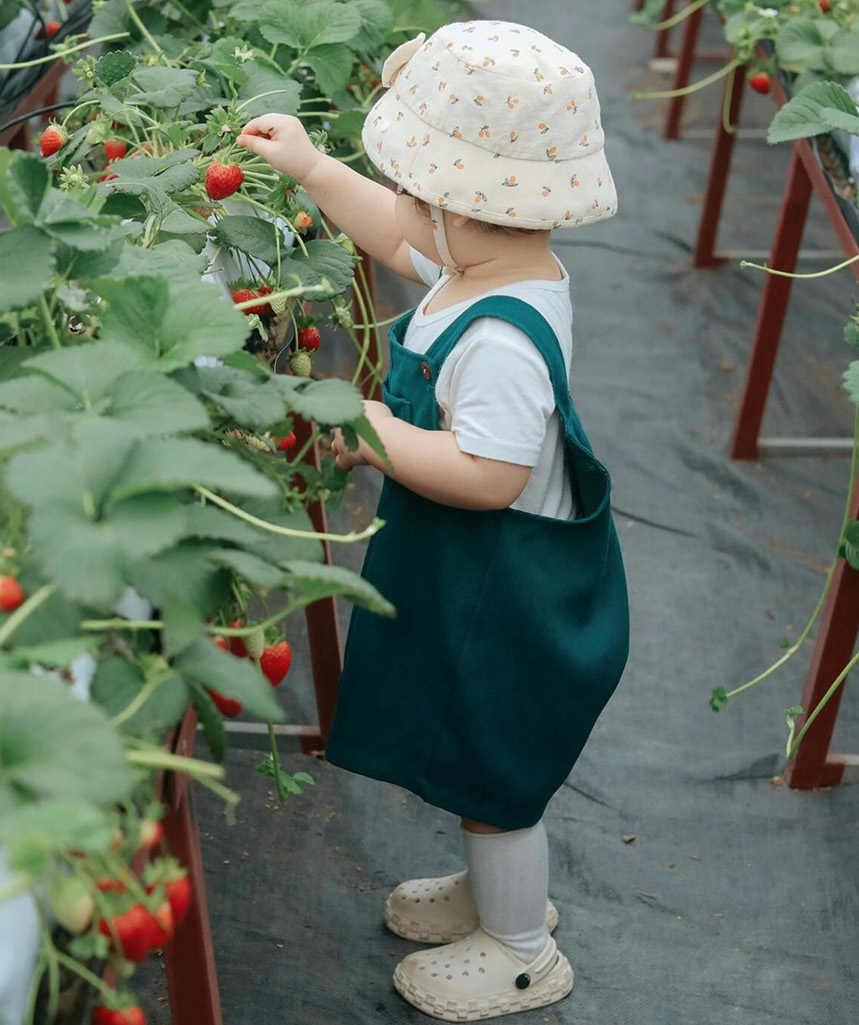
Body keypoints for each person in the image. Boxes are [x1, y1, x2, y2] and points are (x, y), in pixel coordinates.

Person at [237, 20, 628, 1022]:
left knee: (494, 767)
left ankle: (521, 944)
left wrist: (367, 428)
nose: (406, 202)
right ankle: (488, 892)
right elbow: (399, 234)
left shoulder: (500, 333)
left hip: (508, 594)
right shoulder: (486, 267)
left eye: (418, 185)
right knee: (471, 755)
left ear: (472, 204)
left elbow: (488, 473)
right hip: (476, 577)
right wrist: (316, 169)